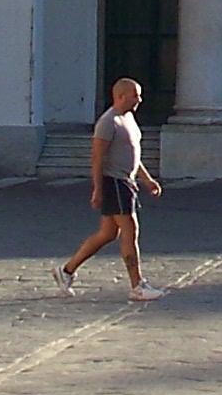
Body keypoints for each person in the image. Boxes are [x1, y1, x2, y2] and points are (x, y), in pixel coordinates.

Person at [58, 77, 162, 301]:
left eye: (139, 94)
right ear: (120, 96)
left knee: (107, 234)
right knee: (130, 230)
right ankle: (137, 285)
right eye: (135, 95)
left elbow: (133, 154)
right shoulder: (108, 121)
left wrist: (146, 179)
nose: (139, 99)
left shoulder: (129, 119)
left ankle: (66, 271)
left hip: (127, 181)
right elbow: (97, 157)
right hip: (114, 182)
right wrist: (97, 188)